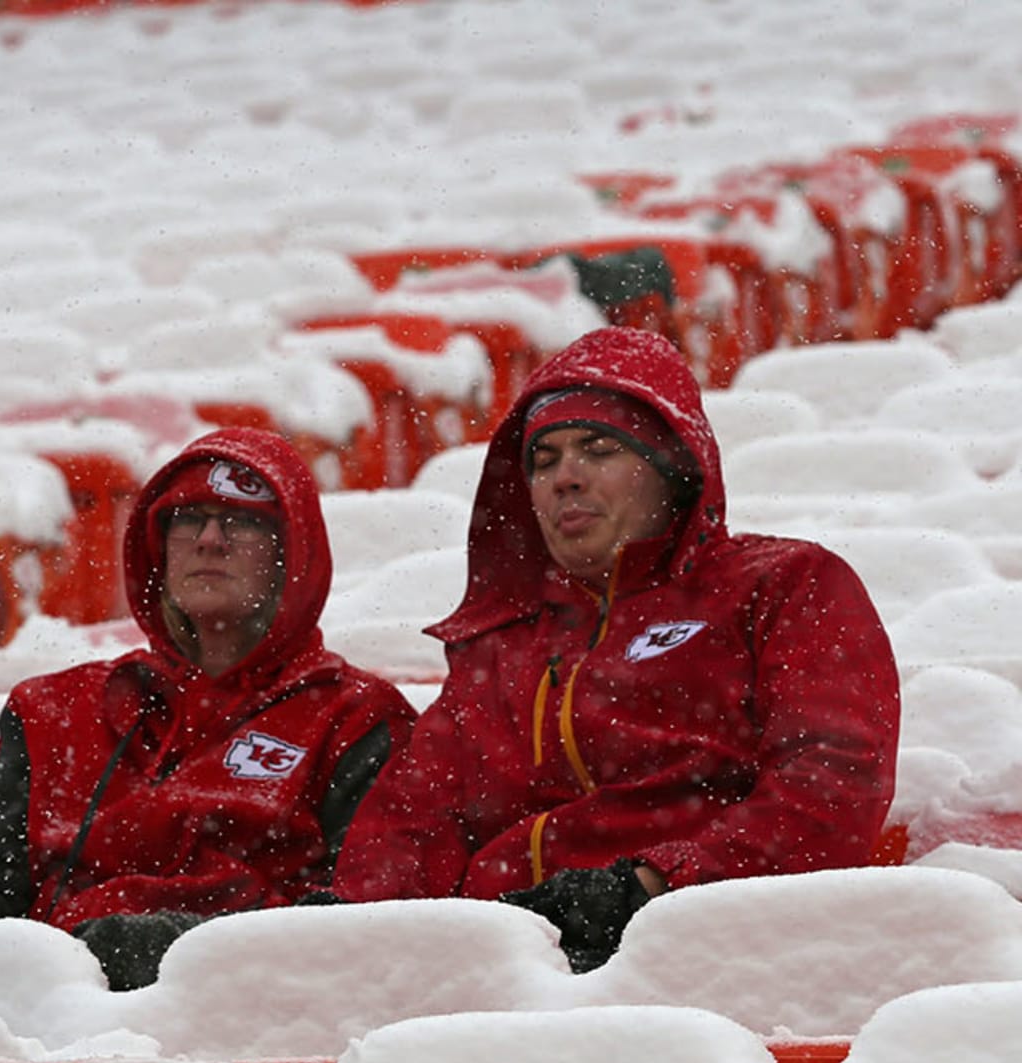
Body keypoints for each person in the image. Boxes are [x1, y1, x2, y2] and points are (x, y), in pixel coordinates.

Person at [331, 326, 900, 972]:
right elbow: (413, 818)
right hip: (500, 964)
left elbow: (831, 786)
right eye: (543, 461)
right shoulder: (504, 645)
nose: (565, 478)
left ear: (671, 469)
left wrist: (653, 887)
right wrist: (355, 922)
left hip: (713, 949)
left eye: (598, 450)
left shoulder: (784, 586)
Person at [0, 426, 415, 989]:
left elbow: (367, 915)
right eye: (187, 519)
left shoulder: (358, 719)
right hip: (46, 1013)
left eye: (242, 521)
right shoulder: (54, 709)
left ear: (292, 555)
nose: (210, 539)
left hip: (237, 1015)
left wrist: (168, 948)